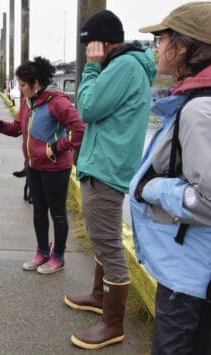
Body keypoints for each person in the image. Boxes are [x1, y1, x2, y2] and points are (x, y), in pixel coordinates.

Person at [64, 10, 156, 350]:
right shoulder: (124, 66)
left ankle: (112, 324)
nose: (87, 50)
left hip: (105, 167)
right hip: (106, 163)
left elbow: (86, 108)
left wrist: (90, 68)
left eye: (89, 44)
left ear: (102, 42)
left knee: (108, 245)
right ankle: (98, 297)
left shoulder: (123, 66)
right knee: (106, 238)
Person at [130, 3, 211, 354]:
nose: (156, 48)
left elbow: (206, 199)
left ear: (184, 47)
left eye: (160, 39)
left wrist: (153, 189)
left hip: (189, 279)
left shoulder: (198, 110)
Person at [0, 57, 85, 274]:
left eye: (23, 85)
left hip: (55, 168)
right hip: (33, 165)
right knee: (39, 211)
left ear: (36, 82)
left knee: (57, 213)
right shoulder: (27, 102)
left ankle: (58, 256)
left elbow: (79, 130)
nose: (21, 89)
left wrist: (57, 147)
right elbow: (16, 128)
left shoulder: (56, 102)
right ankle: (42, 252)